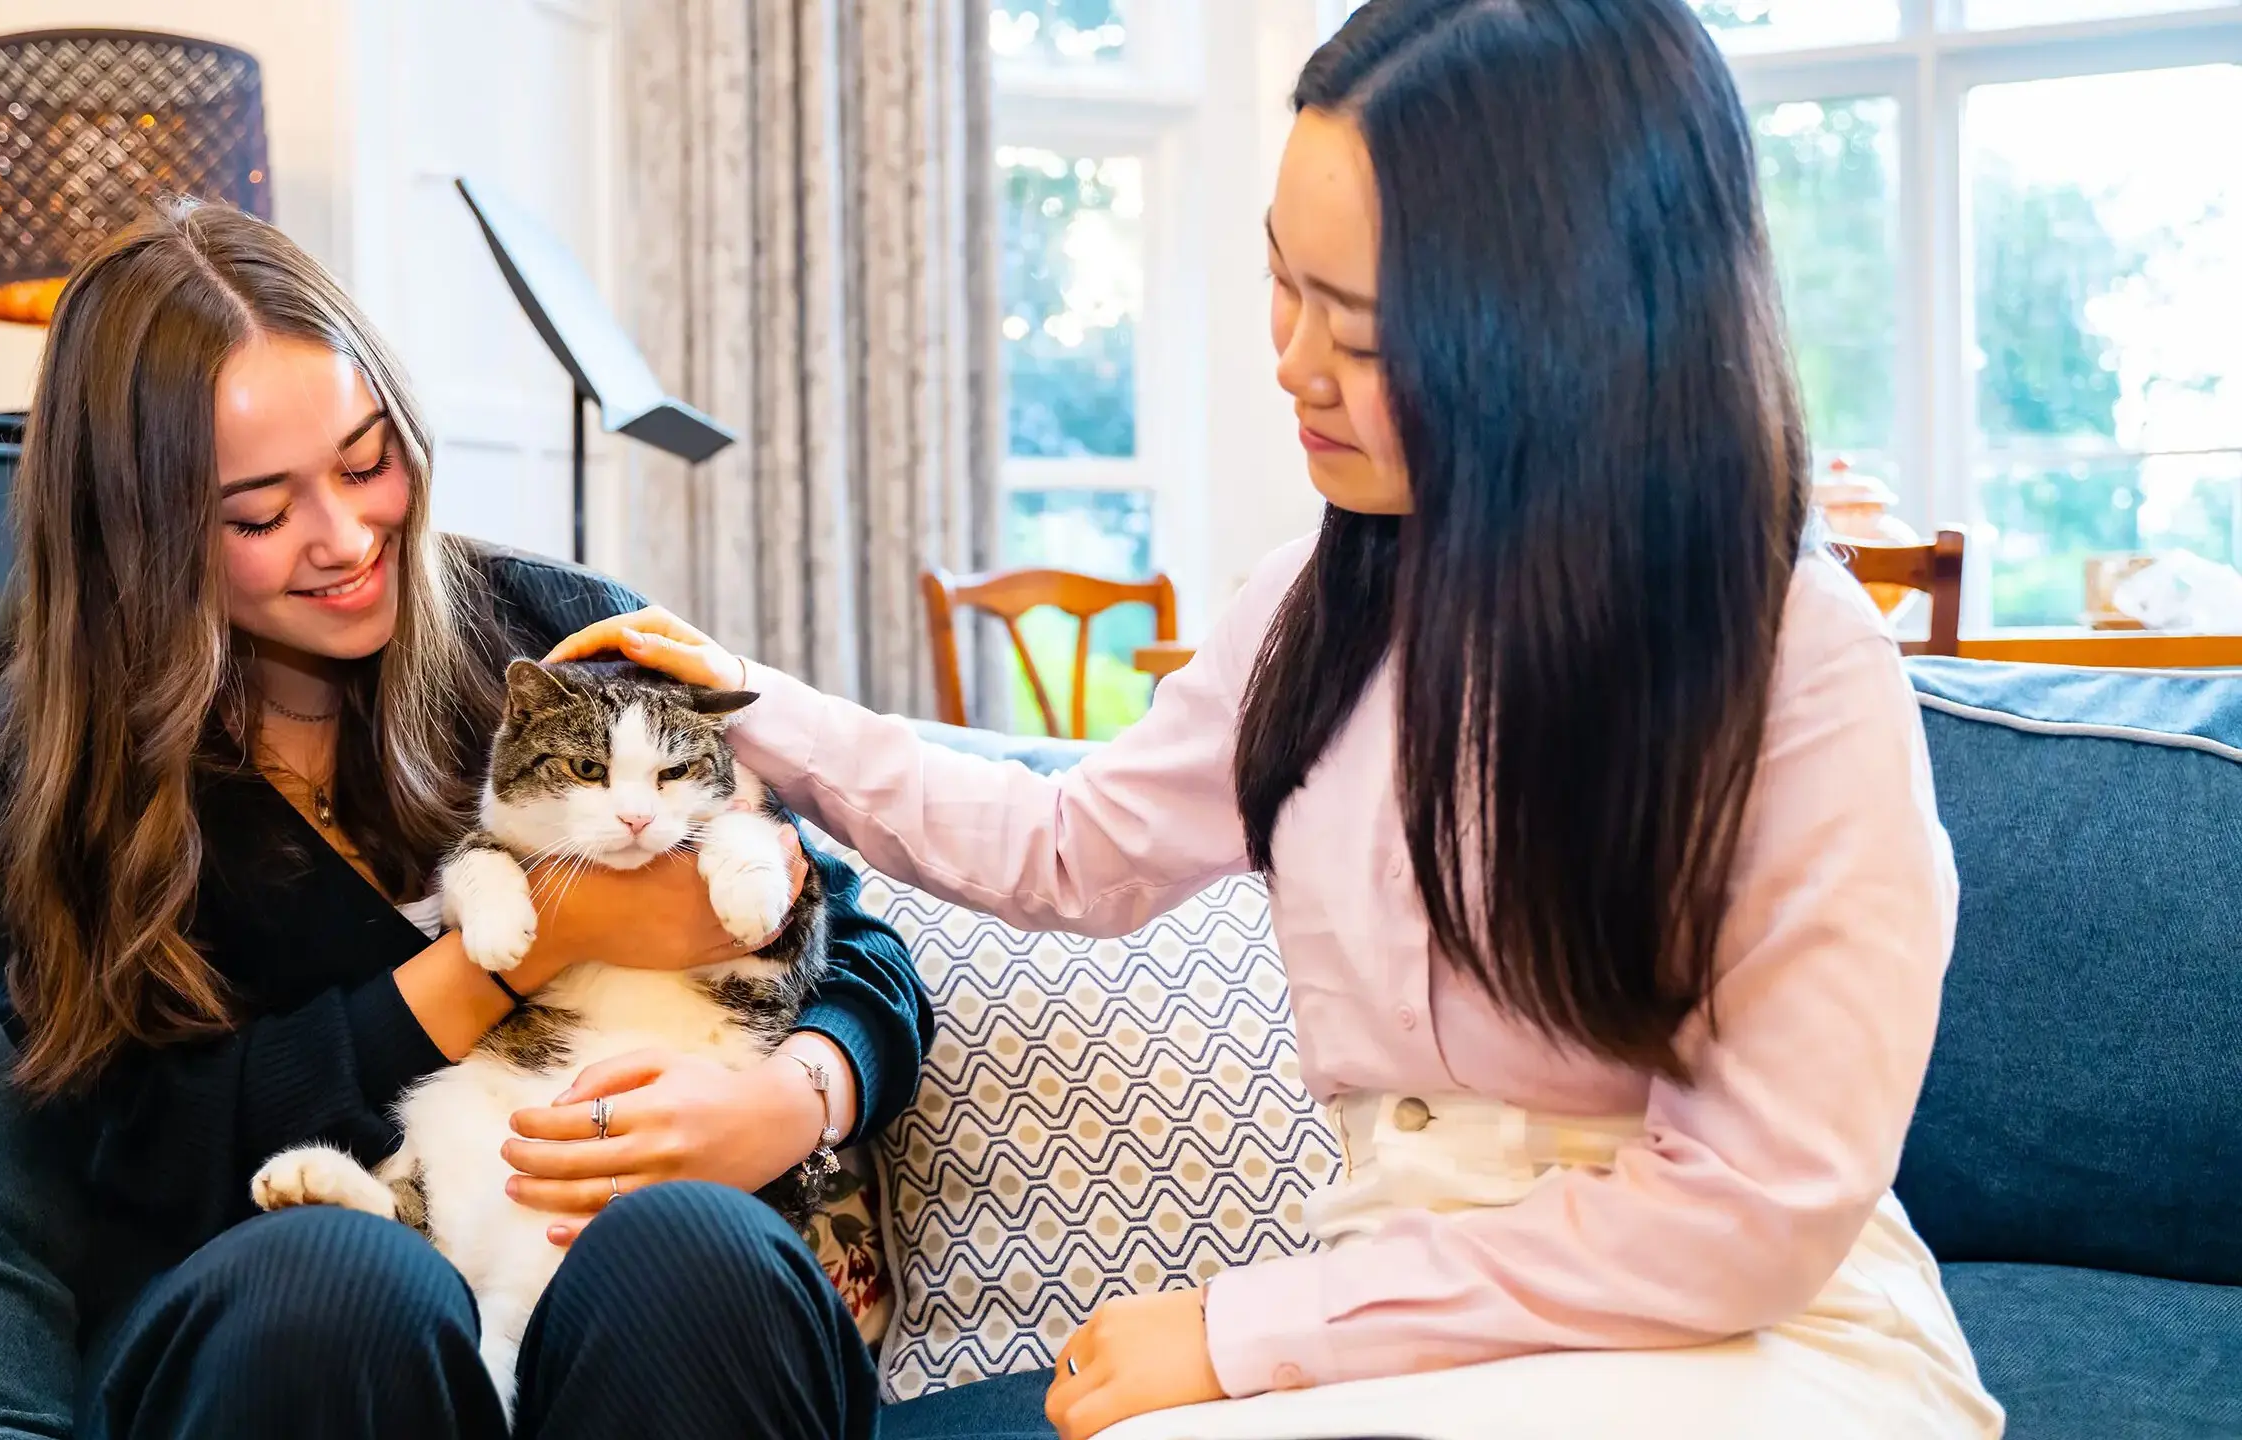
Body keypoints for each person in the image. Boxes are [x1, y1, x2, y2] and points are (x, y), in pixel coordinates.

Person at [548, 2, 2007, 1437]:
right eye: (1282, 282)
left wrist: (1248, 1330)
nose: (1292, 363)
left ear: (1571, 330)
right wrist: (753, 704)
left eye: (1363, 333)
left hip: (1746, 1335)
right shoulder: (1313, 602)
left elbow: (1747, 1217)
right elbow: (1070, 849)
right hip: (1410, 1327)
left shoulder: (1793, 661)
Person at [0, 200, 930, 1440]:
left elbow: (860, 950)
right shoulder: (65, 764)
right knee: (333, 1282)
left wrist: (792, 1100)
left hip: (625, 1282)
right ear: (140, 534)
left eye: (369, 461)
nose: (348, 536)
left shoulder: (557, 634)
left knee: (688, 1248)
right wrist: (525, 949)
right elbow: (136, 1148)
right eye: (260, 515)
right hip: (275, 1321)